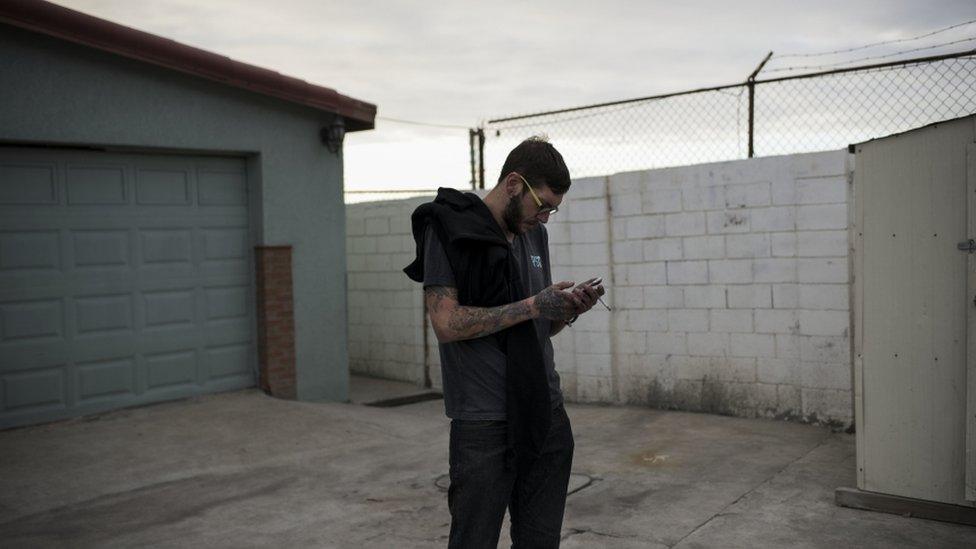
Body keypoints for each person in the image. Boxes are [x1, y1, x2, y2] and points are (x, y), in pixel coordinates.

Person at [403, 136, 605, 548]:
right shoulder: (448, 230)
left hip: (544, 410)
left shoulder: (535, 237)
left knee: (540, 540)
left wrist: (565, 311)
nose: (546, 217)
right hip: (484, 423)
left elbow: (534, 330)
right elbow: (446, 322)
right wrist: (534, 304)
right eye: (543, 204)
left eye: (553, 209)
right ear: (513, 184)